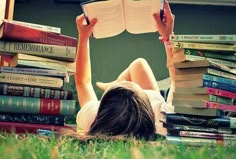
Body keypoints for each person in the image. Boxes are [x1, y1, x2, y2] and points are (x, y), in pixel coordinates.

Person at [75, 1, 175, 140]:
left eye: (121, 84)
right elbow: (179, 78)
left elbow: (83, 82)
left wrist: (83, 37)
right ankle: (113, 84)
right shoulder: (162, 115)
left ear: (102, 107)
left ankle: (112, 84)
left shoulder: (93, 116)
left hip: (137, 107)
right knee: (139, 64)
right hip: (152, 103)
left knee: (138, 64)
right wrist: (168, 36)